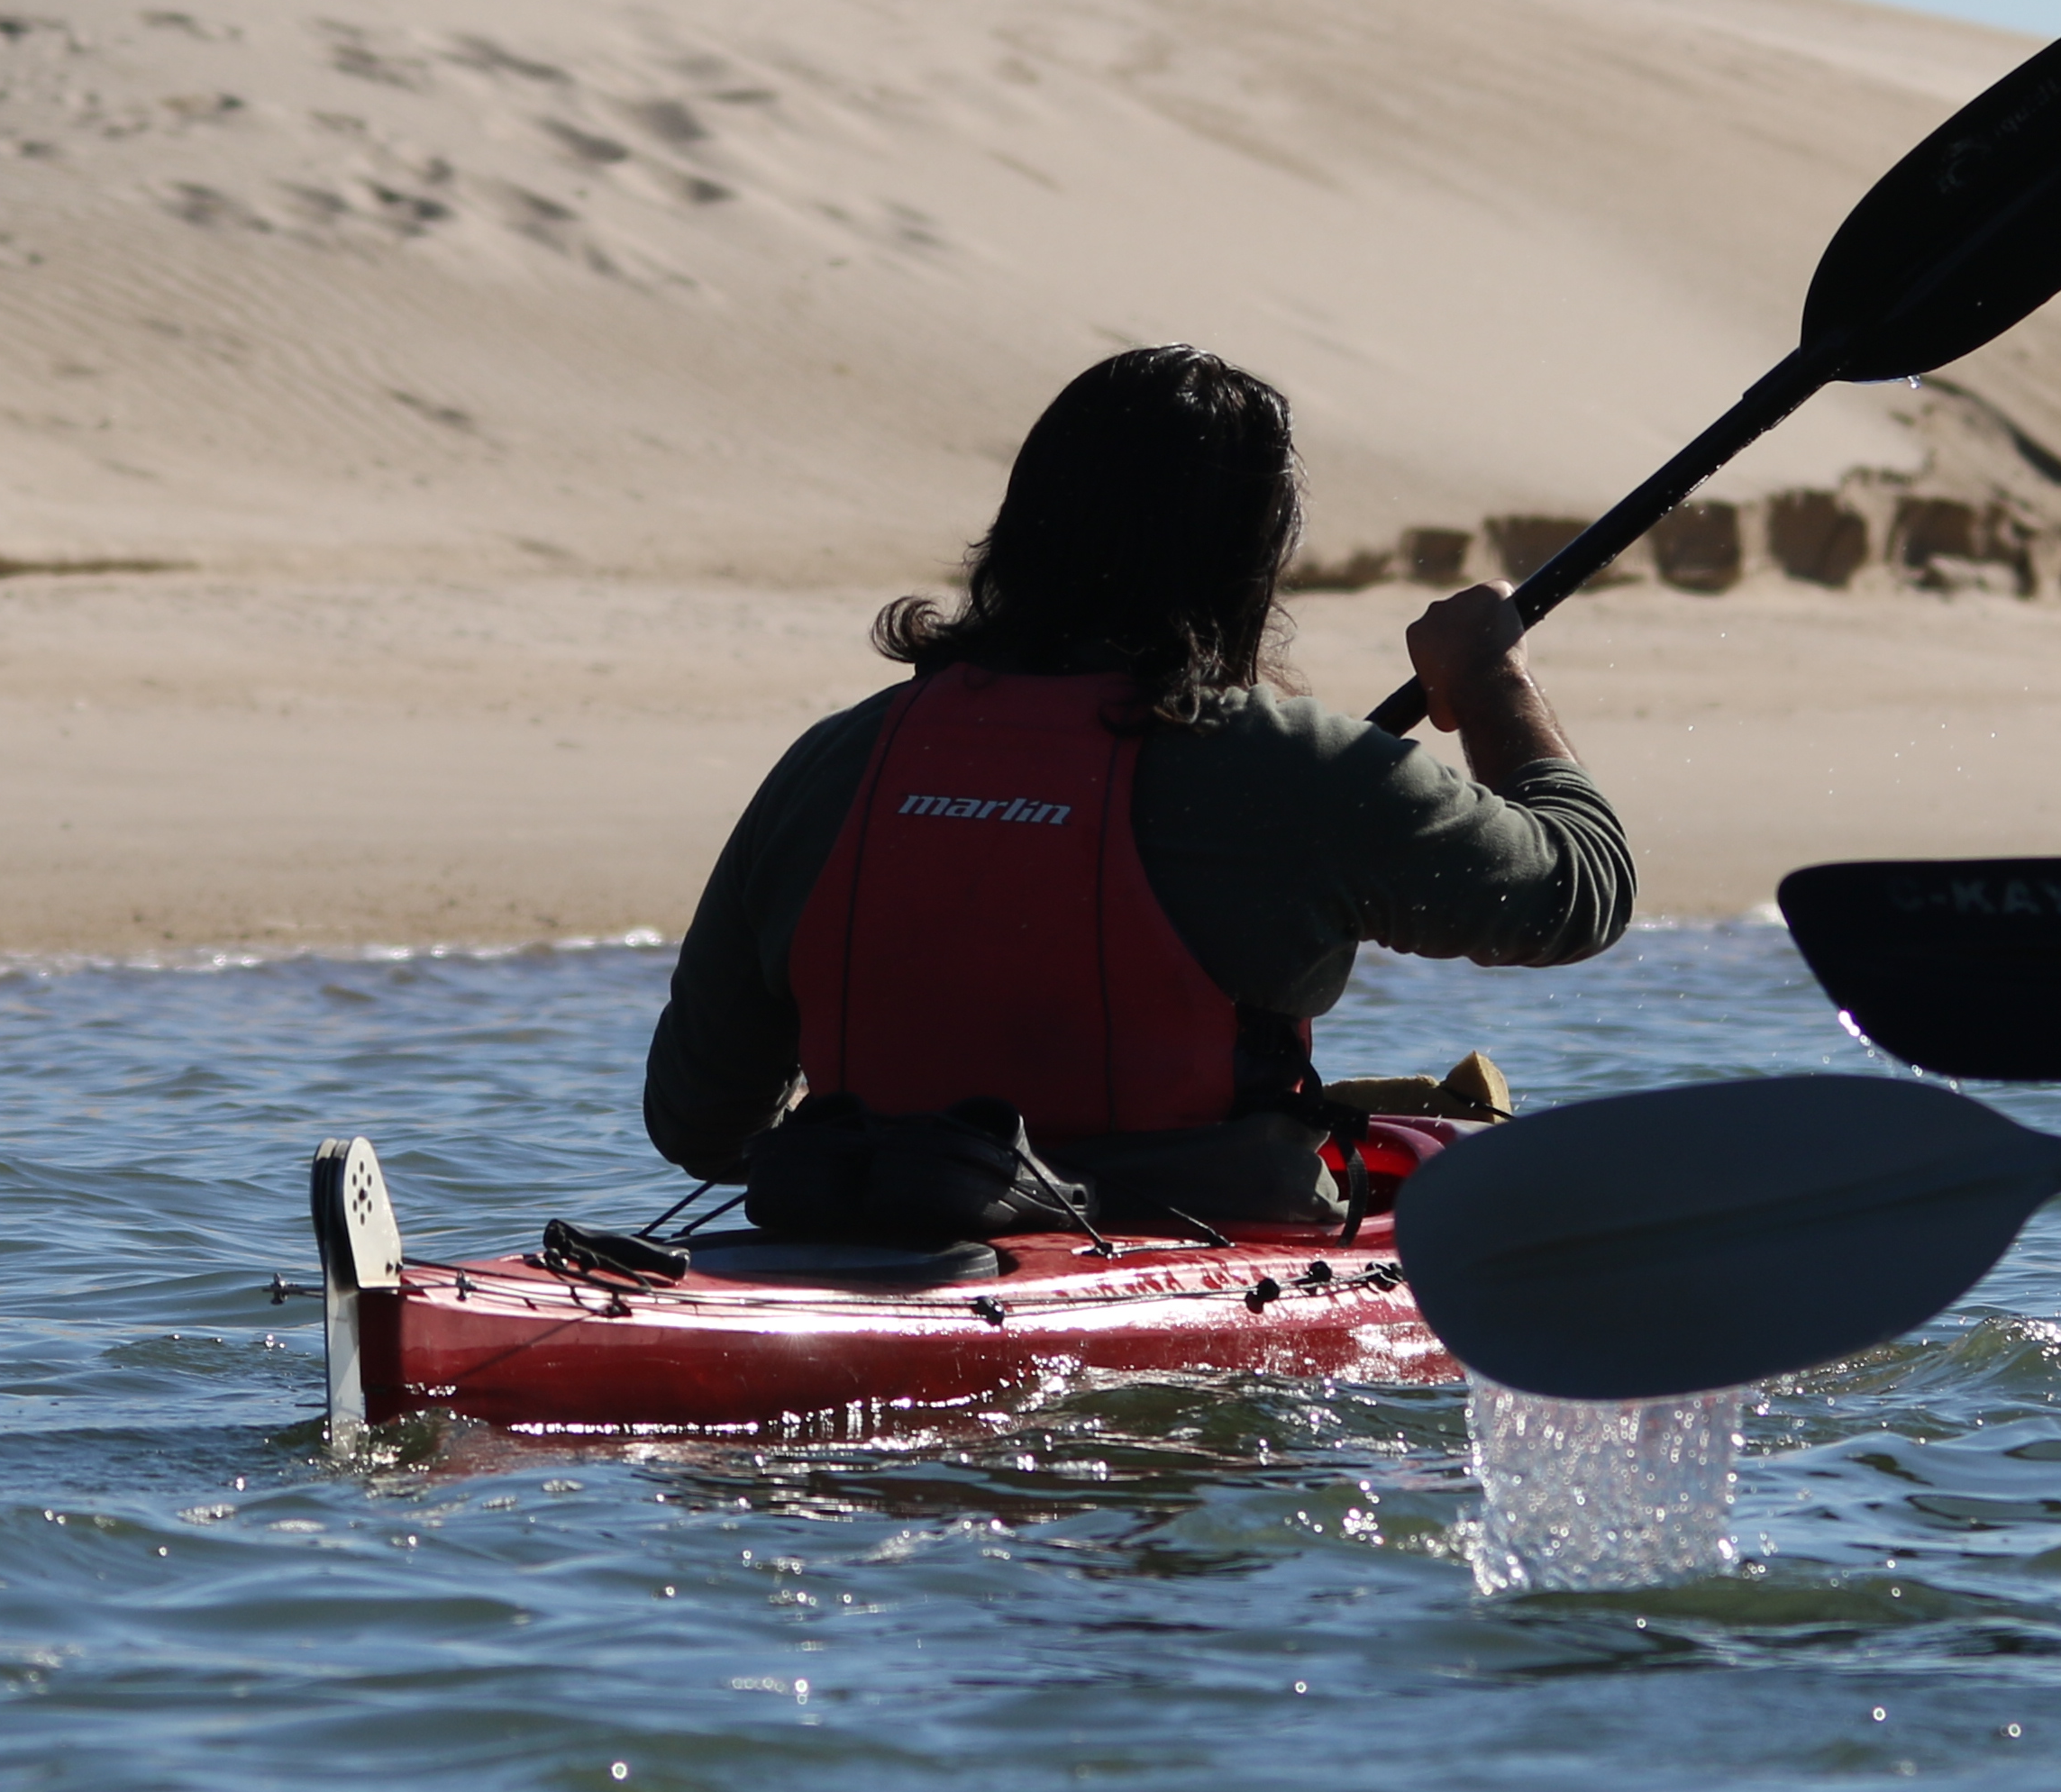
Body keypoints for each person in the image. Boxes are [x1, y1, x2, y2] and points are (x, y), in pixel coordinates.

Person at [644, 343, 1636, 1233]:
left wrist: (899, 1148)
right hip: (1199, 1255)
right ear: (1251, 562)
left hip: (854, 1234)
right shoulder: (1289, 768)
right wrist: (1488, 678)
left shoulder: (836, 760)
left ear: (1019, 531)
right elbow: (1581, 888)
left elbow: (701, 1123)